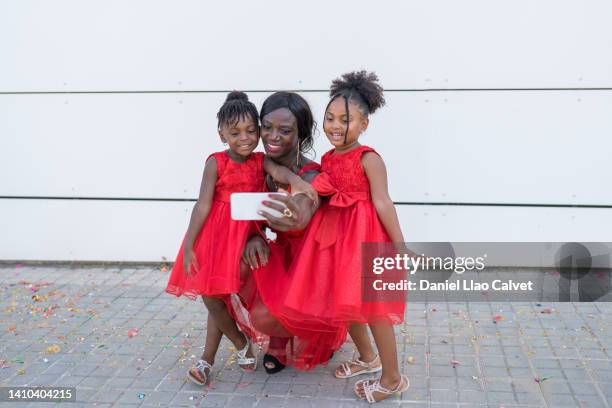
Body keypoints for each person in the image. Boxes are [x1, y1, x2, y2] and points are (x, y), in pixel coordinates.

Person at [276, 71, 410, 402]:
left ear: (364, 124)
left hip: (365, 240)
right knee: (343, 301)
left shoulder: (369, 158)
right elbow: (317, 191)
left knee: (375, 309)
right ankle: (368, 357)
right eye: (330, 118)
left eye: (346, 120)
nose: (335, 125)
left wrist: (400, 246)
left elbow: (383, 201)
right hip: (334, 240)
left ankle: (393, 379)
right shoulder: (327, 159)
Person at [165, 91, 315, 385]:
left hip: (244, 237)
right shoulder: (215, 162)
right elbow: (203, 205)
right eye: (235, 132)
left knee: (221, 294)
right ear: (222, 133)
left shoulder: (259, 161)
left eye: (250, 131)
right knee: (212, 297)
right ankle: (238, 343)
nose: (244, 138)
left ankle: (208, 359)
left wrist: (298, 182)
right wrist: (192, 244)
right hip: (214, 239)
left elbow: (280, 172)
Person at [232, 91, 346, 373]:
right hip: (280, 255)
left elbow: (305, 206)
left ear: (301, 132)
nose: (273, 136)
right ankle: (280, 338)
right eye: (267, 127)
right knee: (236, 265)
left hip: (314, 263)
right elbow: (244, 213)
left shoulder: (310, 174)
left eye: (284, 130)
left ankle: (319, 332)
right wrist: (254, 236)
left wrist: (296, 215)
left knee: (276, 312)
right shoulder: (255, 166)